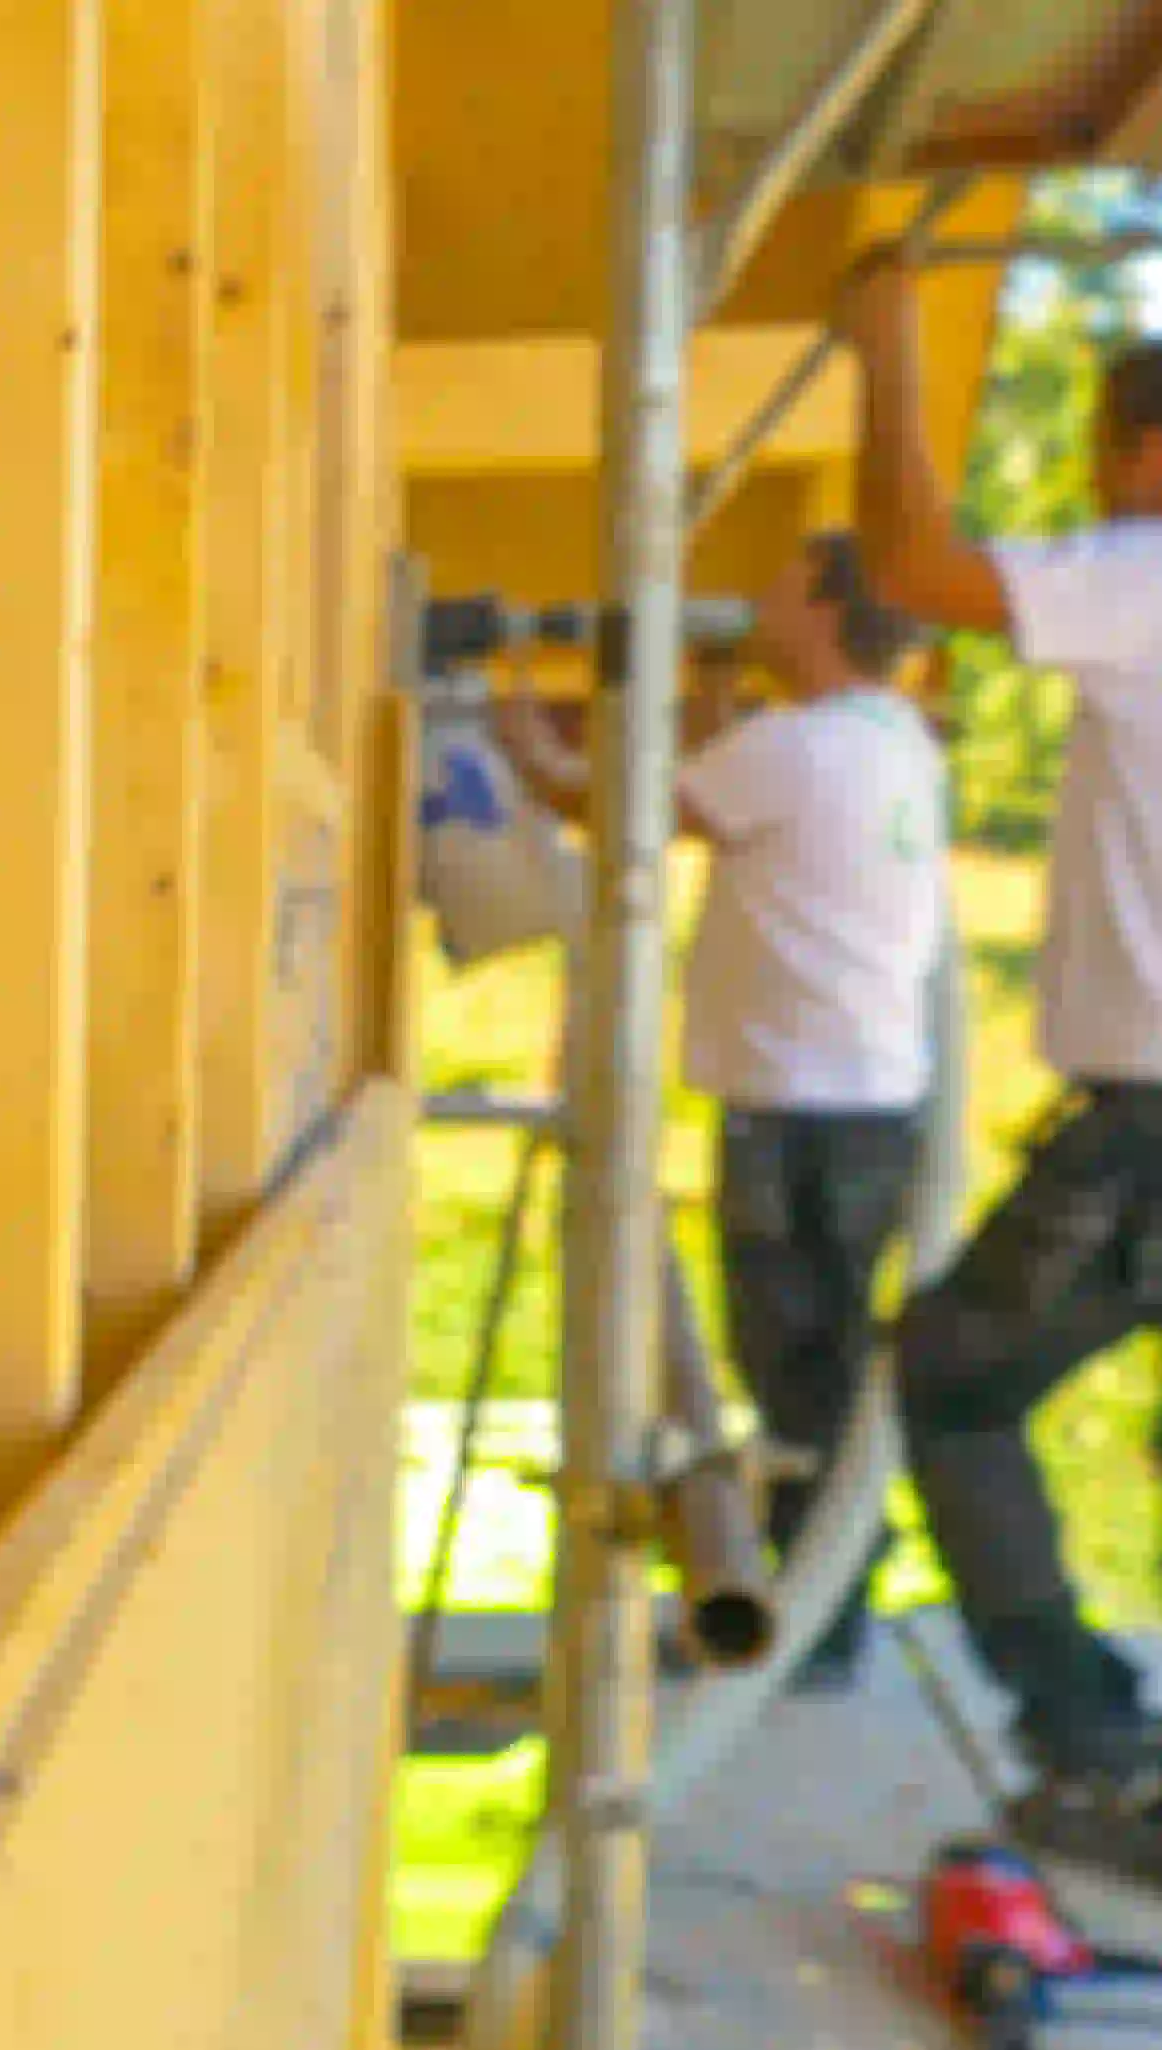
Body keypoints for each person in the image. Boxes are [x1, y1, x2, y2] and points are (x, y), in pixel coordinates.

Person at [491, 533, 950, 1694]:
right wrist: (706, 719)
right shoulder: (886, 738)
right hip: (864, 1099)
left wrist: (518, 729)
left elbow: (608, 811)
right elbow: (733, 796)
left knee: (788, 1360)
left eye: (781, 584)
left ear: (827, 611)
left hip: (791, 1106)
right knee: (828, 1359)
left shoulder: (790, 747)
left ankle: (805, 1615)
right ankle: (828, 1590)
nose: (756, 599)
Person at [844, 247, 1162, 1853]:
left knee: (957, 1379)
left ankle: (1102, 1745)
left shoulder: (1148, 568)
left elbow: (909, 563)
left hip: (1154, 1120)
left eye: (1110, 459)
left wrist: (889, 342)